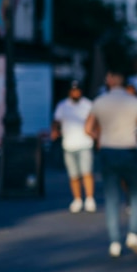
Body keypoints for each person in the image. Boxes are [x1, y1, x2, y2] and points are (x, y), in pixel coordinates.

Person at [85, 69, 137, 258]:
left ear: (109, 79)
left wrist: (100, 137)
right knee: (136, 194)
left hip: (108, 150)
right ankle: (133, 232)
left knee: (112, 197)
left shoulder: (99, 102)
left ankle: (114, 241)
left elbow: (88, 128)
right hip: (129, 150)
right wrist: (135, 137)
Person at [51, 81, 96, 213]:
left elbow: (95, 121)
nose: (76, 93)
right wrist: (55, 132)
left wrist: (95, 134)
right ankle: (77, 199)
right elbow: (56, 121)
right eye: (73, 90)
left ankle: (89, 198)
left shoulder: (88, 105)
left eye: (78, 90)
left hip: (85, 143)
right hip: (69, 144)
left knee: (87, 172)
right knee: (74, 175)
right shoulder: (63, 105)